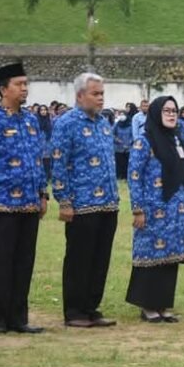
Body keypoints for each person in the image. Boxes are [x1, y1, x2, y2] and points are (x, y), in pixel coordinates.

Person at [0, 62, 48, 334]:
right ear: (4, 89)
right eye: (19, 84)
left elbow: (38, 160)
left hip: (29, 204)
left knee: (24, 262)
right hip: (1, 205)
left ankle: (18, 318)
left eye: (26, 84)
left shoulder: (30, 120)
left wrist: (43, 194)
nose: (24, 89)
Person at [49, 73, 119, 329]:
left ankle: (91, 307)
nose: (101, 98)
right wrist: (64, 201)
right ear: (80, 96)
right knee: (80, 259)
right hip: (82, 203)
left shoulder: (103, 123)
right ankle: (75, 310)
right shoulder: (66, 123)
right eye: (95, 93)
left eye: (102, 93)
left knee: (100, 259)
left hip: (108, 202)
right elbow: (59, 163)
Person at [126, 96, 184, 323]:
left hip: (175, 210)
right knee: (150, 256)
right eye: (166, 111)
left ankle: (163, 305)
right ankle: (148, 306)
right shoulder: (144, 141)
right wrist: (138, 209)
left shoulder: (177, 140)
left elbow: (183, 175)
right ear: (155, 113)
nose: (172, 115)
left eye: (174, 111)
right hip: (152, 209)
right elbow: (134, 176)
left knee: (170, 257)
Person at [113, 103, 136, 181]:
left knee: (127, 163)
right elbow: (112, 134)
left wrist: (128, 143)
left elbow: (133, 135)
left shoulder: (130, 125)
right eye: (120, 114)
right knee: (119, 163)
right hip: (118, 148)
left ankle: (126, 177)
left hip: (128, 148)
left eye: (123, 114)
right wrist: (116, 139)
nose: (122, 116)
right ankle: (119, 177)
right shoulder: (117, 124)